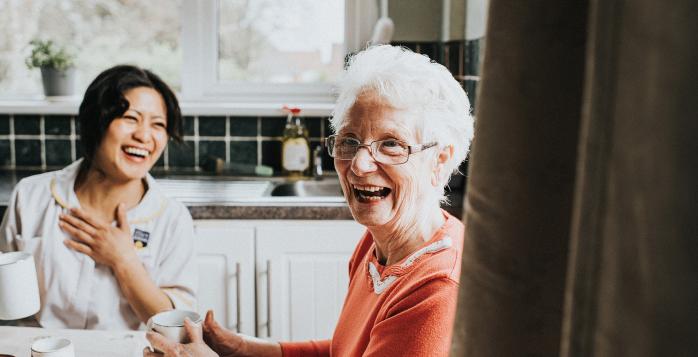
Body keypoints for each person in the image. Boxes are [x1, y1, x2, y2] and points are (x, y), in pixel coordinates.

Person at [144, 44, 474, 356]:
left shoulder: (438, 290)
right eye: (349, 140)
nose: (359, 164)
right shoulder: (378, 247)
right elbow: (346, 351)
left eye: (391, 144)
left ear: (440, 161)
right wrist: (246, 349)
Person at [0, 65, 197, 330]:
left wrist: (124, 260)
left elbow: (178, 329)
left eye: (158, 124)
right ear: (96, 122)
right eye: (130, 118)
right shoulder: (31, 196)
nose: (144, 135)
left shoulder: (173, 219)